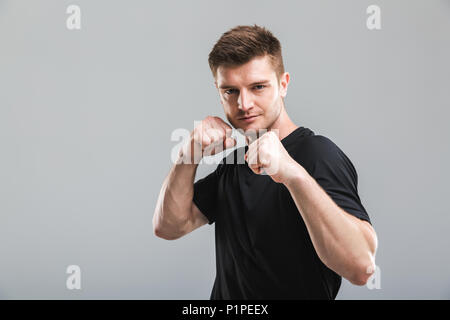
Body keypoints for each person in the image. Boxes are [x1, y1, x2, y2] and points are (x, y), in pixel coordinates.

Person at [153, 24, 378, 300]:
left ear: (283, 84)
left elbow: (362, 268)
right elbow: (169, 226)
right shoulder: (235, 164)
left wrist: (292, 174)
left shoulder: (317, 154)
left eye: (258, 87)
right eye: (230, 91)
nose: (243, 103)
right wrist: (188, 155)